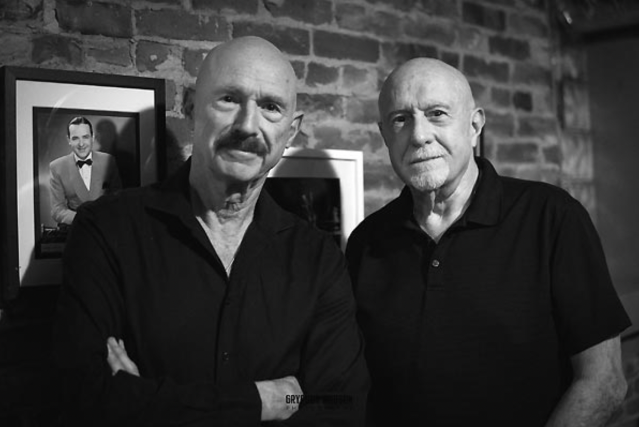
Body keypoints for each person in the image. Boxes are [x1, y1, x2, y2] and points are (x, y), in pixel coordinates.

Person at [53, 37, 369, 426]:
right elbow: (85, 399)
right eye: (229, 99)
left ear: (291, 131)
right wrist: (262, 402)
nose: (248, 125)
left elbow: (339, 404)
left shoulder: (318, 258)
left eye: (270, 107)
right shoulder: (107, 230)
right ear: (190, 106)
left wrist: (147, 403)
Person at [345, 58, 630, 426]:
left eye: (437, 114)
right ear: (385, 135)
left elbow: (604, 382)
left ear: (474, 125)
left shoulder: (551, 217)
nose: (418, 135)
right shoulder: (366, 242)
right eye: (401, 119)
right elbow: (356, 387)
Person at [49, 116, 122, 225]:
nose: (81, 144)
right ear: (69, 140)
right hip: (76, 227)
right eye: (75, 138)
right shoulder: (57, 167)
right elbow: (57, 209)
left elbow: (118, 200)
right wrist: (82, 219)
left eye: (85, 137)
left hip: (105, 226)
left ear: (92, 137)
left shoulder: (108, 161)